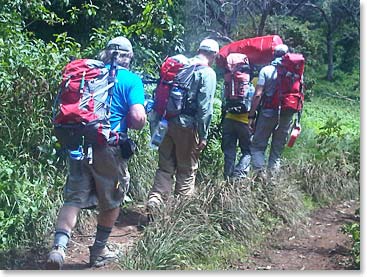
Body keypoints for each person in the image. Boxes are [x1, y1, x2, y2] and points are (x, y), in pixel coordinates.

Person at [46, 36, 146, 269]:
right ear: (128, 57)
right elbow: (138, 118)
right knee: (112, 199)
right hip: (108, 146)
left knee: (73, 197)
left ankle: (59, 248)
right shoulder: (131, 80)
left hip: (78, 141)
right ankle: (98, 251)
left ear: (105, 53)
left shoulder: (88, 74)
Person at [146, 38, 219, 209]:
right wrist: (203, 135)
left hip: (163, 122)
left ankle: (155, 200)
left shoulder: (181, 66)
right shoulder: (207, 73)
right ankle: (181, 213)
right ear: (213, 55)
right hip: (186, 126)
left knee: (165, 167)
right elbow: (205, 107)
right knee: (186, 169)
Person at [248, 44, 293, 178]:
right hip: (286, 115)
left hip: (268, 112)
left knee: (257, 147)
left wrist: (251, 115)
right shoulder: (295, 72)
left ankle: (261, 177)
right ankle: (272, 185)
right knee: (276, 152)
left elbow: (257, 95)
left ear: (274, 54)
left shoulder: (266, 70)